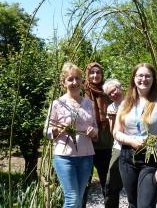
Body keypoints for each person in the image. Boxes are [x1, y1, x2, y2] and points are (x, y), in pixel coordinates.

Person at [113, 63, 157, 208]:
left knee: (145, 205)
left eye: (147, 76)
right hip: (127, 158)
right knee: (133, 203)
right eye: (140, 75)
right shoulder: (125, 104)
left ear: (153, 79)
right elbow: (116, 132)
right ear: (134, 78)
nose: (143, 79)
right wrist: (131, 141)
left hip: (151, 159)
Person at [46, 62, 98, 208]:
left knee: (79, 198)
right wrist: (56, 130)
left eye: (77, 78)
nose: (74, 82)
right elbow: (47, 131)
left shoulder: (89, 103)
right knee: (72, 199)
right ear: (63, 83)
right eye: (70, 79)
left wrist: (94, 132)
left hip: (86, 157)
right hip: (64, 157)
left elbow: (95, 127)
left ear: (82, 81)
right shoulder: (57, 104)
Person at [82, 62, 114, 206]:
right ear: (87, 74)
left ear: (102, 74)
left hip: (105, 146)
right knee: (83, 186)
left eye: (98, 72)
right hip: (84, 147)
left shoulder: (108, 93)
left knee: (107, 185)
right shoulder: (81, 92)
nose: (95, 75)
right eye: (92, 72)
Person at [103, 79, 124, 208]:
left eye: (114, 90)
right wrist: (112, 119)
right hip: (119, 147)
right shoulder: (111, 107)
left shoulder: (133, 102)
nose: (113, 94)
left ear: (120, 87)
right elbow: (113, 133)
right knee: (111, 181)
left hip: (137, 146)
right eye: (109, 93)